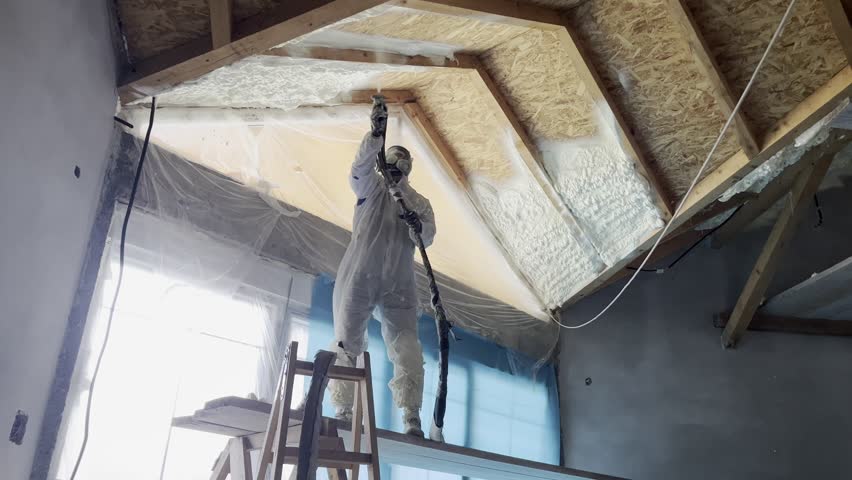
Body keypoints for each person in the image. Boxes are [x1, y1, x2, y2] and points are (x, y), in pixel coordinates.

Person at [327, 101, 436, 437]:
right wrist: (375, 136)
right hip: (361, 274)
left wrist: (414, 217)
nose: (398, 167)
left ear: (409, 169)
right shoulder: (372, 187)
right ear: (386, 161)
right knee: (349, 340)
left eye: (404, 162)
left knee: (407, 346)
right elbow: (358, 169)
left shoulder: (416, 201)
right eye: (394, 159)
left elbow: (427, 237)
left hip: (399, 284)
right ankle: (344, 411)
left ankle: (411, 417)